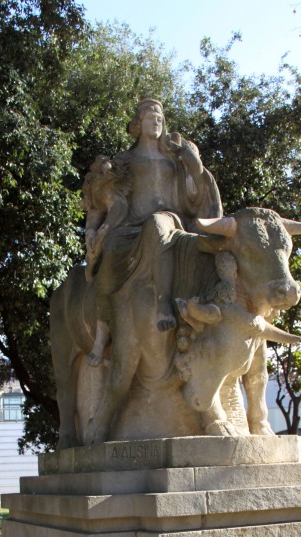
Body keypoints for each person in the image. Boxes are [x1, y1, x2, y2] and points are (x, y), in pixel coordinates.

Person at [83, 98, 222, 367]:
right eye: (150, 118)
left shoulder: (175, 158)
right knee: (109, 257)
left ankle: (165, 306)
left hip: (170, 221)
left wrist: (193, 164)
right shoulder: (125, 160)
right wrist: (93, 230)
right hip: (130, 226)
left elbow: (195, 193)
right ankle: (102, 337)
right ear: (139, 124)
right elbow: (101, 200)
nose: (156, 123)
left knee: (158, 226)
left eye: (160, 119)